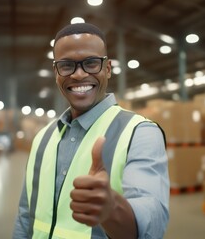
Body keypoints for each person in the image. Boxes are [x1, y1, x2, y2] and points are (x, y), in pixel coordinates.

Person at [12, 22, 169, 239]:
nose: (78, 75)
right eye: (67, 65)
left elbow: (151, 225)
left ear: (107, 68)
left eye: (91, 63)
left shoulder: (140, 133)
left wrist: (111, 207)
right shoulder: (42, 137)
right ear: (56, 73)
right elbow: (25, 217)